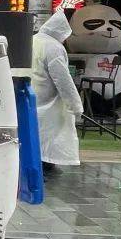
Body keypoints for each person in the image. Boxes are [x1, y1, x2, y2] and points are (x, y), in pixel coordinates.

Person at [31, 9, 82, 176]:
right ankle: (46, 162)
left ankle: (37, 161)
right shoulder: (54, 47)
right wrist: (75, 106)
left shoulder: (33, 41)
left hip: (31, 97)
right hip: (48, 101)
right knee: (49, 135)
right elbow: (63, 80)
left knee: (35, 134)